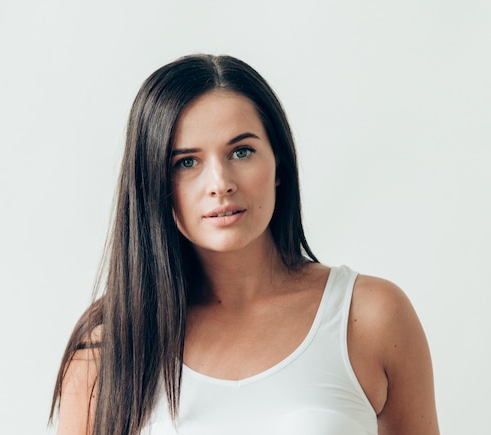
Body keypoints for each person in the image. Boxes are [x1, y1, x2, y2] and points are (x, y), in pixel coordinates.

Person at [49, 54, 439, 435]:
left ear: (280, 165)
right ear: (153, 183)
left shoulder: (369, 317)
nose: (220, 183)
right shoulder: (109, 346)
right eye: (186, 162)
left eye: (241, 151)